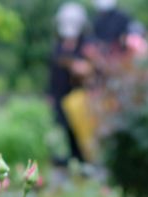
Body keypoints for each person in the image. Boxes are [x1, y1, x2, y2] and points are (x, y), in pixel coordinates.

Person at [48, 3, 93, 163]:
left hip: (80, 97)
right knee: (63, 127)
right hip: (61, 94)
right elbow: (52, 73)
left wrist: (83, 68)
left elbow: (95, 69)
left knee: (80, 129)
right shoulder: (58, 46)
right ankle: (70, 160)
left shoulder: (86, 45)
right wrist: (50, 95)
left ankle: (84, 159)